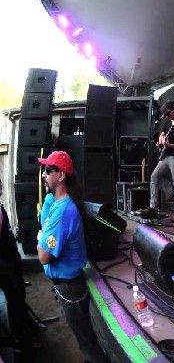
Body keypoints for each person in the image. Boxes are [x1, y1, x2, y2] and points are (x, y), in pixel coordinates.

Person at [37, 151, 109, 363]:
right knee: (84, 335)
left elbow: (43, 256)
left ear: (60, 176)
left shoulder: (64, 211)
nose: (43, 175)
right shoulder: (58, 203)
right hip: (66, 284)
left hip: (69, 286)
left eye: (48, 170)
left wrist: (41, 238)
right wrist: (43, 235)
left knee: (87, 341)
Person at [0, 178, 41, 354]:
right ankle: (26, 343)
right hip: (4, 266)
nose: (1, 186)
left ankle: (29, 328)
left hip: (10, 261)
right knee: (15, 301)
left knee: (19, 297)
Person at [142, 100, 174, 222]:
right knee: (154, 177)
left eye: (168, 113)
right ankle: (153, 207)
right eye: (166, 114)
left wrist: (170, 145)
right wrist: (161, 142)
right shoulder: (167, 123)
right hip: (165, 157)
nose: (167, 116)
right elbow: (162, 135)